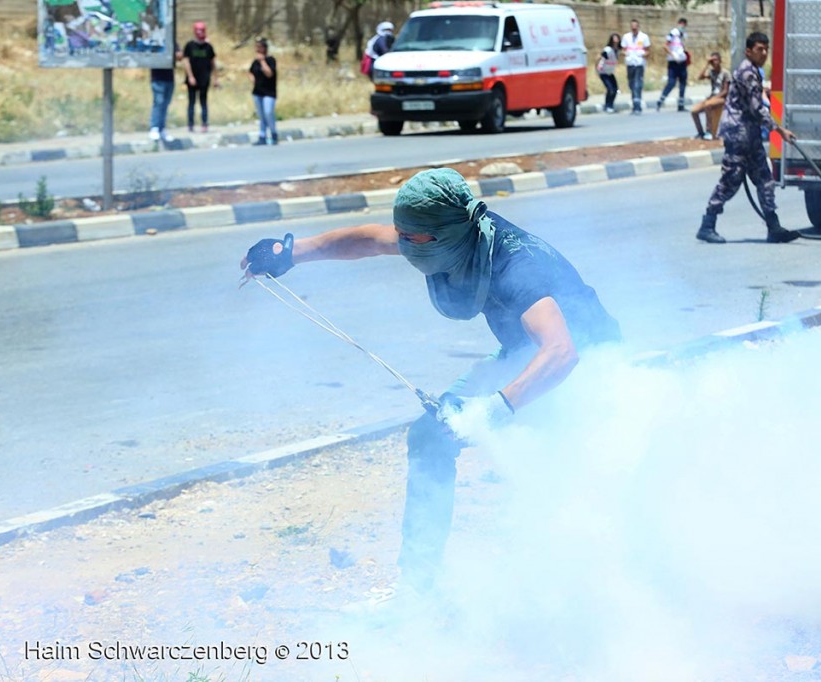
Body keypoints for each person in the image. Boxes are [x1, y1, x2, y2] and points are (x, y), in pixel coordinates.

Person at [240, 168, 621, 597]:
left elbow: (562, 352)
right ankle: (417, 591)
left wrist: (492, 409)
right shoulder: (442, 231)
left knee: (563, 466)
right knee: (432, 436)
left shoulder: (516, 265)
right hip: (518, 356)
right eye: (402, 234)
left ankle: (589, 582)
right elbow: (368, 239)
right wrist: (290, 252)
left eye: (412, 239)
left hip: (587, 368)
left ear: (447, 234)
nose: (402, 245)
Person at [696, 32, 800, 245]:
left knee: (764, 180)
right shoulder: (747, 73)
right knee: (731, 181)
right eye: (760, 49)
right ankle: (707, 225)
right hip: (738, 135)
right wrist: (780, 131)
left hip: (750, 135)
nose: (764, 53)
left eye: (766, 49)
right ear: (749, 51)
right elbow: (756, 108)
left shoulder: (754, 71)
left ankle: (774, 227)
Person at [183, 21, 218, 133]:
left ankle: (204, 123)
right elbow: (186, 61)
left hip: (204, 78)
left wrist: (215, 78)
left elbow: (213, 63)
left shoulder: (208, 47)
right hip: (193, 78)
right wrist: (190, 76)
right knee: (191, 102)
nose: (200, 33)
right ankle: (190, 124)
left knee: (203, 102)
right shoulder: (190, 45)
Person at [691, 51, 729, 139]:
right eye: (712, 61)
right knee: (694, 111)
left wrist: (714, 98)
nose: (714, 62)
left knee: (708, 105)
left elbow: (726, 91)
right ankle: (700, 132)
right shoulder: (712, 72)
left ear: (720, 61)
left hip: (721, 98)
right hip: (712, 97)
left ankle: (709, 131)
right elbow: (699, 77)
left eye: (716, 60)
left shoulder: (725, 73)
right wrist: (707, 64)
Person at [248, 37, 277, 146]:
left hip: (269, 92)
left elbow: (269, 73)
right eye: (257, 47)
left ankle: (273, 133)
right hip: (258, 92)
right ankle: (262, 136)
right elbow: (250, 72)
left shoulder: (270, 60)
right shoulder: (255, 62)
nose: (258, 49)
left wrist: (262, 61)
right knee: (261, 115)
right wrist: (252, 78)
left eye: (260, 47)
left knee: (268, 112)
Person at [148, 48, 181, 144]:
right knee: (158, 102)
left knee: (166, 103)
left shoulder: (171, 40)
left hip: (169, 77)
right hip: (157, 77)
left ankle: (161, 129)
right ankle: (154, 127)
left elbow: (179, 55)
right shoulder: (155, 42)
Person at [657, 17, 688, 112]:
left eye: (684, 24)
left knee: (683, 83)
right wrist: (673, 55)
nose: (683, 26)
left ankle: (681, 105)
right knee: (671, 82)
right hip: (673, 62)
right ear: (679, 23)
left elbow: (682, 47)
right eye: (681, 24)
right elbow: (665, 45)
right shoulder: (673, 33)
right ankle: (660, 101)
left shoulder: (684, 35)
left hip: (682, 62)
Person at [620, 19, 650, 115]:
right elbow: (623, 50)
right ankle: (634, 103)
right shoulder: (626, 37)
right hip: (630, 63)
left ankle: (637, 106)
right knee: (631, 84)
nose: (634, 29)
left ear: (638, 27)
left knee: (638, 84)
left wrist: (642, 54)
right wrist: (626, 54)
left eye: (635, 27)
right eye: (632, 27)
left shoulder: (644, 37)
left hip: (639, 63)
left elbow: (648, 51)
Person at [597, 33, 621, 113]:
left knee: (615, 89)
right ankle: (607, 106)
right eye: (614, 38)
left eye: (617, 38)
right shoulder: (608, 50)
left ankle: (610, 104)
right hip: (603, 72)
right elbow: (601, 56)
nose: (616, 39)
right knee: (610, 89)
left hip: (610, 72)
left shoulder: (617, 50)